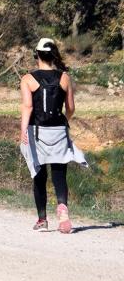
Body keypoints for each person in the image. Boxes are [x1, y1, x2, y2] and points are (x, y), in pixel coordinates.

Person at [19, 38, 88, 234]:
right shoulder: (64, 77)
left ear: (37, 55)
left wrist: (23, 130)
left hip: (36, 131)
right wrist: (64, 120)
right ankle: (63, 209)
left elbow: (28, 106)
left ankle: (42, 219)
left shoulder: (27, 79)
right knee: (59, 173)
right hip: (59, 130)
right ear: (53, 55)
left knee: (39, 175)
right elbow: (71, 108)